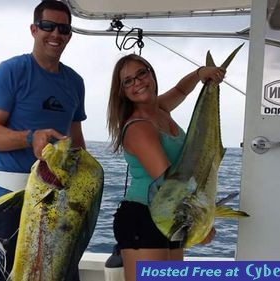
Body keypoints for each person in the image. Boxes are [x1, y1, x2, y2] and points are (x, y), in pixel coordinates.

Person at [0, 1, 86, 280]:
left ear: (69, 35)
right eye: (48, 26)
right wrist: (31, 137)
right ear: (34, 29)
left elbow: (77, 142)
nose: (56, 34)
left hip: (59, 201)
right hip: (11, 199)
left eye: (63, 29)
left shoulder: (75, 82)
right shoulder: (10, 71)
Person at [107, 54, 225, 281]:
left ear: (151, 73)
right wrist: (199, 223)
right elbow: (169, 184)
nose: (138, 82)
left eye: (141, 73)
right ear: (122, 92)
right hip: (144, 217)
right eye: (128, 81)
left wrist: (202, 74)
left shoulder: (159, 109)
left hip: (170, 216)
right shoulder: (139, 127)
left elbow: (181, 90)